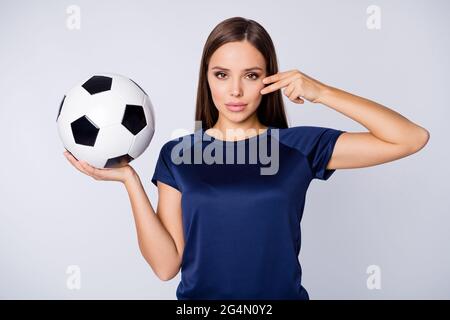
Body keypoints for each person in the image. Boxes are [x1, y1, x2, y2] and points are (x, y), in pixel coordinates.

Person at [63, 17, 429, 300]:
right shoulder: (178, 155)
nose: (235, 90)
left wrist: (321, 92)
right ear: (206, 78)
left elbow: (411, 138)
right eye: (222, 75)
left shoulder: (300, 146)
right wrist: (131, 181)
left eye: (251, 75)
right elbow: (165, 266)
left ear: (269, 78)